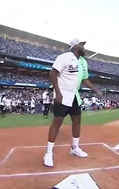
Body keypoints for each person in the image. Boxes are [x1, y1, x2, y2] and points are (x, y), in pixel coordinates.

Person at [43, 38, 102, 167]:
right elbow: (52, 74)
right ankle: (48, 153)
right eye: (82, 45)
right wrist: (57, 93)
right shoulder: (64, 57)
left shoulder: (83, 62)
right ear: (75, 46)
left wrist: (95, 89)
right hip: (63, 94)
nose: (84, 47)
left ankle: (74, 148)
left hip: (75, 96)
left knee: (77, 122)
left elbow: (85, 79)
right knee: (57, 122)